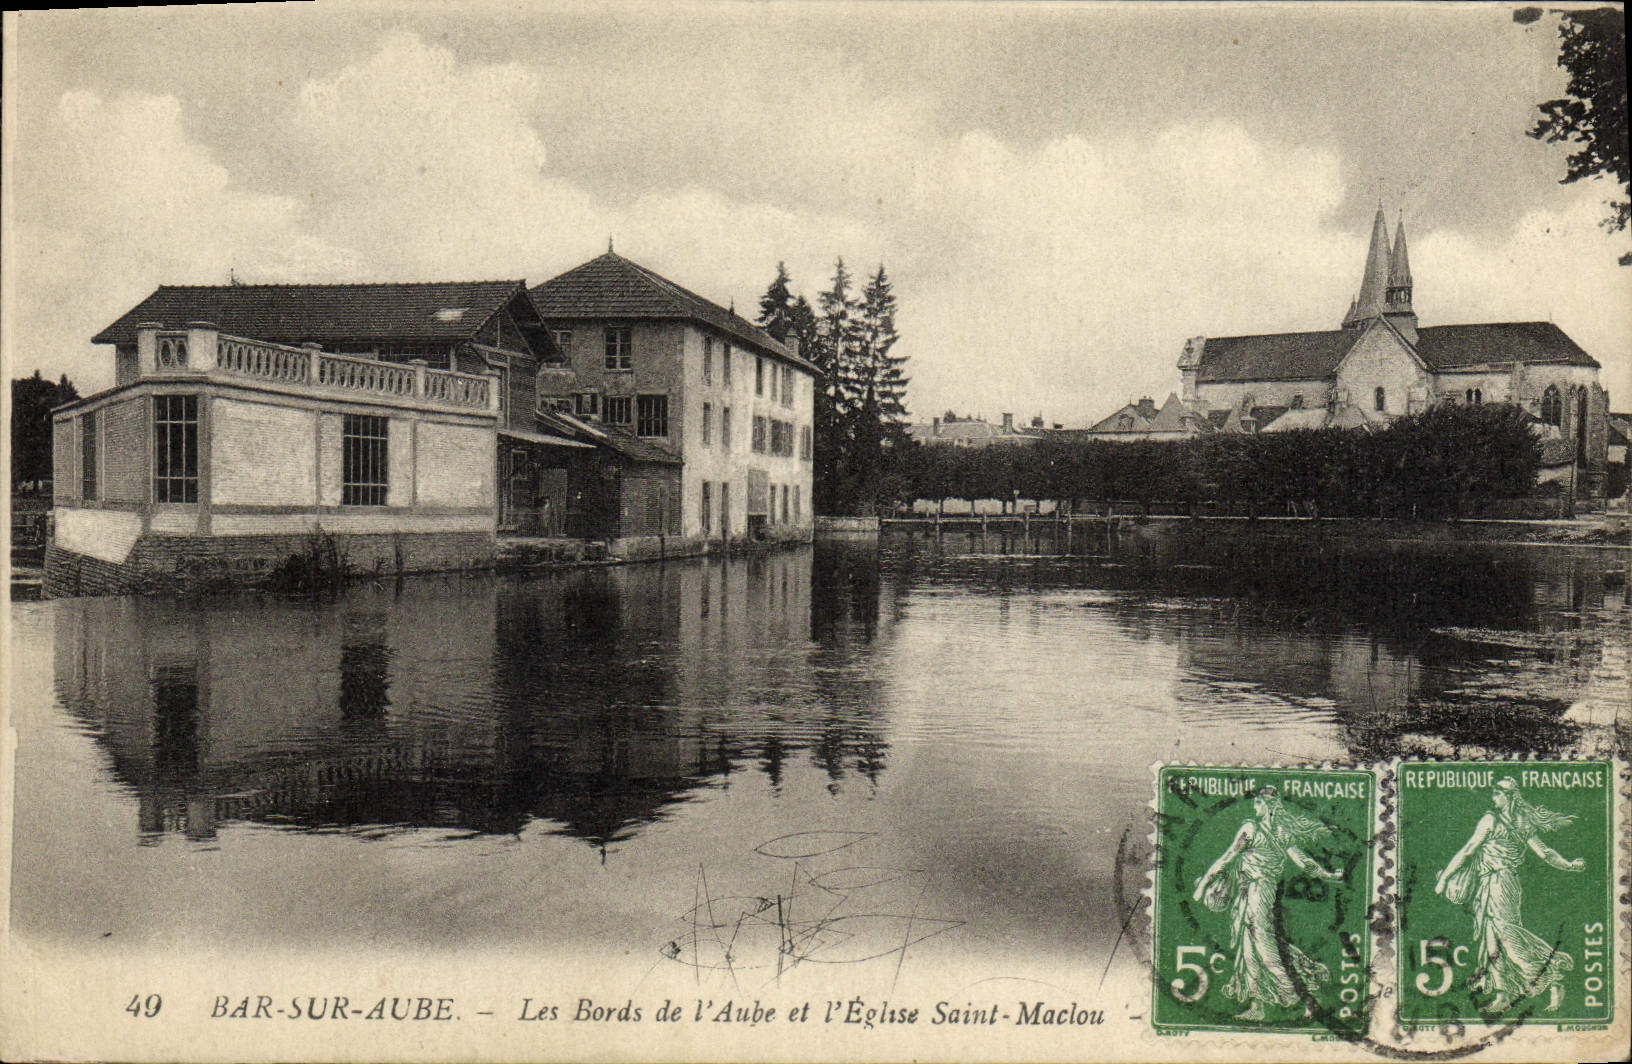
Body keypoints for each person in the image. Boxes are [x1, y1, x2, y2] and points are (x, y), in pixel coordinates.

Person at [1192, 786, 1345, 1021]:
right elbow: (1229, 857)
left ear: (1270, 806)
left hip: (1260, 892)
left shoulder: (1262, 831)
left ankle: (1308, 998)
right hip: (1245, 894)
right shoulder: (1262, 829)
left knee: (1264, 948)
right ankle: (1258, 1006)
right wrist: (1327, 875)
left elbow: (1303, 863)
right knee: (1249, 950)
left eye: (1258, 803)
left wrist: (1328, 876)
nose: (1255, 807)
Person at [1434, 777, 1584, 1014]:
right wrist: (1570, 865)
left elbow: (1468, 850)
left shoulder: (1491, 820)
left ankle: (1552, 974)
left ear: (1509, 796)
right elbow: (1545, 853)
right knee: (1492, 939)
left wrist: (1444, 878)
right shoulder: (1519, 821)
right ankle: (1503, 994)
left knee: (1508, 938)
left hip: (1499, 883)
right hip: (1495, 884)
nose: (1493, 797)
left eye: (1498, 793)